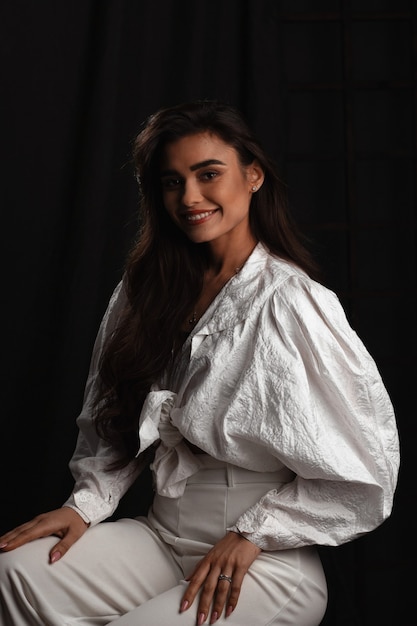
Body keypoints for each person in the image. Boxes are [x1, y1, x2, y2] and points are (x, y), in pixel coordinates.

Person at [0, 100, 399, 626]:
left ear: (253, 176)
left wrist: (254, 532)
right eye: (172, 182)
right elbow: (109, 417)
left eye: (209, 174)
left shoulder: (291, 302)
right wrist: (84, 506)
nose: (190, 197)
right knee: (15, 572)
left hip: (262, 557)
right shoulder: (142, 294)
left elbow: (369, 470)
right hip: (162, 536)